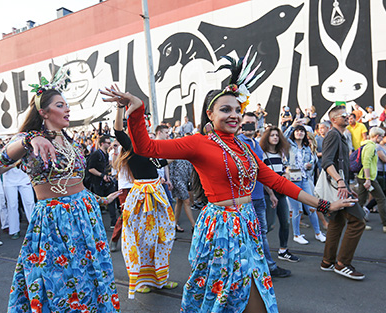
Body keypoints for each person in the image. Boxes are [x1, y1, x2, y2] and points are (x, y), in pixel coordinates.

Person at [101, 54, 356, 312]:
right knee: (224, 296)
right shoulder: (199, 143)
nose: (234, 115)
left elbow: (279, 182)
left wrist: (324, 204)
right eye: (225, 110)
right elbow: (145, 147)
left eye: (237, 110)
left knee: (254, 293)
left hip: (247, 224)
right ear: (210, 114)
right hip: (220, 228)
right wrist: (137, 109)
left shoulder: (246, 149)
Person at [2, 72, 121, 312]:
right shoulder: (28, 138)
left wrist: (100, 199)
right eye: (60, 105)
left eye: (67, 105)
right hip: (53, 222)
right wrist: (29, 141)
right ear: (43, 112)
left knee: (90, 276)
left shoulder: (73, 144)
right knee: (59, 281)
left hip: (85, 217)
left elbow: (77, 185)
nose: (67, 109)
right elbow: (5, 157)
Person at [110, 96, 176, 297]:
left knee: (163, 237)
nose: (145, 130)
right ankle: (139, 281)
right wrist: (121, 107)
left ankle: (160, 279)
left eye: (147, 127)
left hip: (157, 195)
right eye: (142, 126)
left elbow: (166, 160)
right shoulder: (131, 146)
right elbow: (118, 131)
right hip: (140, 196)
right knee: (140, 239)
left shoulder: (152, 148)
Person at [238, 112, 294, 276]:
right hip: (244, 199)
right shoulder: (238, 144)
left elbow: (261, 173)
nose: (250, 126)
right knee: (250, 234)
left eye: (252, 123)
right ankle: (266, 267)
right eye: (246, 123)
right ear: (241, 124)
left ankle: (262, 267)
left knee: (260, 233)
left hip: (259, 197)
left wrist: (270, 193)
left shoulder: (255, 145)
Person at [320, 105, 367, 280]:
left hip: (340, 186)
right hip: (337, 187)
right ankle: (342, 264)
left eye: (347, 114)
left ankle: (328, 261)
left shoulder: (341, 136)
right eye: (343, 115)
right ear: (334, 120)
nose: (348, 117)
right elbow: (326, 162)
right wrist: (341, 183)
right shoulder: (333, 134)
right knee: (358, 221)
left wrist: (346, 185)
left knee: (336, 222)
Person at [260, 126, 301, 264]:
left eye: (277, 135)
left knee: (285, 222)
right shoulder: (263, 154)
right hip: (269, 193)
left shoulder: (280, 154)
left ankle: (283, 250)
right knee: (269, 225)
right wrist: (271, 194)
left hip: (281, 193)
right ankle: (257, 248)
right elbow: (262, 177)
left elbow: (284, 169)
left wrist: (286, 173)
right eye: (272, 135)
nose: (275, 138)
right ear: (267, 137)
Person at [287, 126, 326, 245]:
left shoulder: (306, 148)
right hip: (292, 180)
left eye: (302, 131)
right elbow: (283, 136)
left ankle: (318, 233)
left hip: (304, 179)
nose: (299, 133)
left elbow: (311, 162)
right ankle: (296, 234)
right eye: (297, 131)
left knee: (312, 207)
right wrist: (292, 124)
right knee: (297, 209)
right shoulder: (288, 146)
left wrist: (308, 165)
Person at [356, 127, 386, 233]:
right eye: (381, 136)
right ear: (377, 136)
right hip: (368, 177)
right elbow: (366, 162)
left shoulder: (366, 145)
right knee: (381, 199)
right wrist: (368, 179)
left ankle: (359, 222)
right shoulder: (371, 146)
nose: (382, 138)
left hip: (365, 177)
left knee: (361, 200)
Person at [87, 135, 118, 227]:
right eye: (108, 143)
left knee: (111, 201)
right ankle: (97, 224)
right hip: (97, 182)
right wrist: (102, 175)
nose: (110, 145)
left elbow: (109, 166)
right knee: (98, 204)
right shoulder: (96, 154)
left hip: (105, 181)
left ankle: (113, 222)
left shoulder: (106, 154)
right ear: (102, 143)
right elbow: (90, 169)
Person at [2, 159, 35, 239]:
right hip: (9, 180)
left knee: (30, 203)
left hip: (24, 178)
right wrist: (13, 165)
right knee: (12, 205)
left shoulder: (23, 148)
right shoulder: (5, 150)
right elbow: (0, 169)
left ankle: (34, 228)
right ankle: (14, 230)